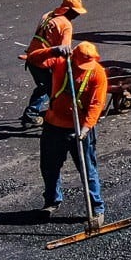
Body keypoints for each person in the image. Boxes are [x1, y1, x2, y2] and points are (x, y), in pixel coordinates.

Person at [26, 40, 108, 226]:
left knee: (87, 169)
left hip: (81, 128)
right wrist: (53, 50)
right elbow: (33, 58)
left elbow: (96, 104)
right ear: (73, 57)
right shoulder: (61, 62)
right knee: (49, 167)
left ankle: (96, 209)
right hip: (54, 125)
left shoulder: (97, 73)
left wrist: (86, 128)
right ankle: (52, 201)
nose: (85, 67)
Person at [19, 0, 86, 128]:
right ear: (68, 10)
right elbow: (65, 50)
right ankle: (50, 117)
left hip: (33, 57)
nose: (77, 16)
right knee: (54, 90)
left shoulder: (48, 15)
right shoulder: (66, 25)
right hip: (44, 62)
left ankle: (35, 114)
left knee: (44, 87)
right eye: (75, 12)